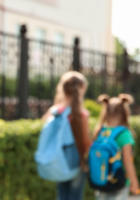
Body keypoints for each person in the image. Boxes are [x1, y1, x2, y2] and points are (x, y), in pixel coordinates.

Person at [42, 71, 92, 200]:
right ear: (81, 90)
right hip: (77, 163)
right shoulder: (82, 114)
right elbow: (86, 141)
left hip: (59, 159)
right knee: (75, 196)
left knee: (62, 195)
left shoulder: (54, 111)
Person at [93, 94, 139, 200]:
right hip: (119, 181)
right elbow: (127, 160)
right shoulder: (124, 134)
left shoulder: (101, 131)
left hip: (101, 179)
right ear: (124, 113)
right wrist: (134, 182)